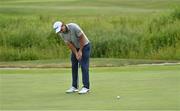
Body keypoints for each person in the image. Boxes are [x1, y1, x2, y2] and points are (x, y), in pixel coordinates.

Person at [53, 21, 91, 94]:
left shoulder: (74, 27)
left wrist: (80, 51)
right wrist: (76, 53)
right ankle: (74, 86)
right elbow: (69, 44)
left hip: (85, 46)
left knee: (84, 65)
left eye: (61, 29)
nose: (60, 31)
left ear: (63, 25)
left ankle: (86, 87)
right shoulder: (61, 33)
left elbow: (82, 38)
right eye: (59, 31)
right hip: (75, 48)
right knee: (74, 65)